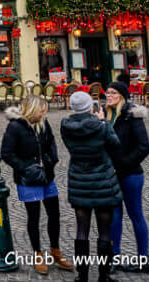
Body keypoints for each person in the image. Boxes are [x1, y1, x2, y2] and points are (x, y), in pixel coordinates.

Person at [0, 95, 74, 276]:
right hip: (28, 179)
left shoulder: (43, 124)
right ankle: (37, 254)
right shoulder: (15, 127)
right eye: (42, 110)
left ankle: (55, 250)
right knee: (34, 217)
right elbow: (7, 153)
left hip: (47, 176)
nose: (44, 113)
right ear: (33, 110)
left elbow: (51, 145)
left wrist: (50, 162)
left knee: (54, 214)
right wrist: (26, 168)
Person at [60, 91, 122, 282]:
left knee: (82, 230)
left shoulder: (66, 127)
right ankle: (103, 276)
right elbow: (115, 144)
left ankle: (82, 275)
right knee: (104, 230)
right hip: (102, 180)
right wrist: (104, 122)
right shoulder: (100, 126)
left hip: (79, 180)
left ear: (72, 107)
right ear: (90, 107)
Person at [105, 81, 149, 274]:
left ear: (122, 96)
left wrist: (123, 163)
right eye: (107, 92)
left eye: (113, 93)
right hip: (112, 174)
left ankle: (143, 260)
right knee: (114, 217)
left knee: (136, 215)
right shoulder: (107, 116)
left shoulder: (132, 116)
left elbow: (143, 147)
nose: (108, 95)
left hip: (131, 175)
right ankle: (114, 258)